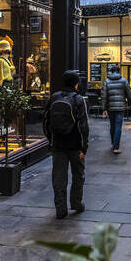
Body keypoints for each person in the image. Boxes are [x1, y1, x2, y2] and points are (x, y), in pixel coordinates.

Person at [43, 70, 89, 219]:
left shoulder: (54, 97)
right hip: (75, 145)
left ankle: (60, 209)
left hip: (58, 145)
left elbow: (45, 122)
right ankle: (76, 203)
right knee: (78, 175)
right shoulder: (78, 99)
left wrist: (51, 140)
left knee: (58, 177)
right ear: (76, 84)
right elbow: (83, 126)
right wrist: (84, 147)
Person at [102, 66, 131, 154]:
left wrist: (104, 108)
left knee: (112, 125)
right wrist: (129, 104)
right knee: (118, 126)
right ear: (119, 71)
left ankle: (113, 142)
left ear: (111, 72)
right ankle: (116, 147)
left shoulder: (107, 81)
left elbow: (104, 96)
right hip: (120, 107)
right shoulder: (124, 81)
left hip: (110, 107)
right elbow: (129, 94)